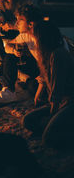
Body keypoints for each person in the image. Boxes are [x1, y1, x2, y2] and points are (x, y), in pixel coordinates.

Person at [22, 20, 74, 149]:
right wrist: (38, 96)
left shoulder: (58, 54)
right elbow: (45, 80)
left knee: (49, 138)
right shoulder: (47, 55)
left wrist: (52, 115)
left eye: (36, 38)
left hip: (70, 102)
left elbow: (57, 91)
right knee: (27, 120)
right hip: (62, 103)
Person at [0, 4, 42, 104]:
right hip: (37, 71)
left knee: (33, 88)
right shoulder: (25, 35)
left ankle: (23, 83)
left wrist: (39, 90)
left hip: (49, 76)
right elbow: (8, 46)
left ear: (30, 24)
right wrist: (14, 51)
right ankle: (9, 91)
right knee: (8, 58)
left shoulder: (42, 39)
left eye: (20, 20)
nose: (16, 24)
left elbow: (49, 69)